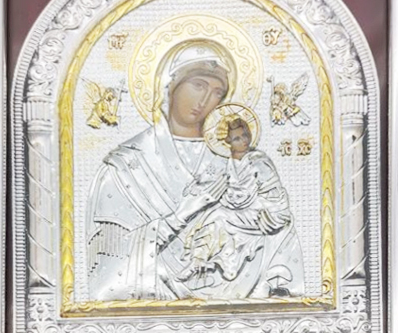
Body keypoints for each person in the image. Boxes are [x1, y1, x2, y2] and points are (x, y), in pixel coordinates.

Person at [86, 42, 232, 301]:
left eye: (217, 92)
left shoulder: (231, 162)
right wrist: (182, 214)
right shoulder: (124, 166)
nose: (204, 101)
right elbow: (107, 272)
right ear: (170, 85)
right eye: (198, 85)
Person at [177, 115, 304, 299]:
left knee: (220, 217)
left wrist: (274, 215)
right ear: (227, 142)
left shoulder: (258, 161)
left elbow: (273, 192)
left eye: (245, 135)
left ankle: (209, 261)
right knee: (211, 216)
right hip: (233, 209)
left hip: (259, 213)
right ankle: (198, 260)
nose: (244, 141)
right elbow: (205, 180)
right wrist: (194, 187)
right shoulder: (226, 163)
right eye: (237, 138)